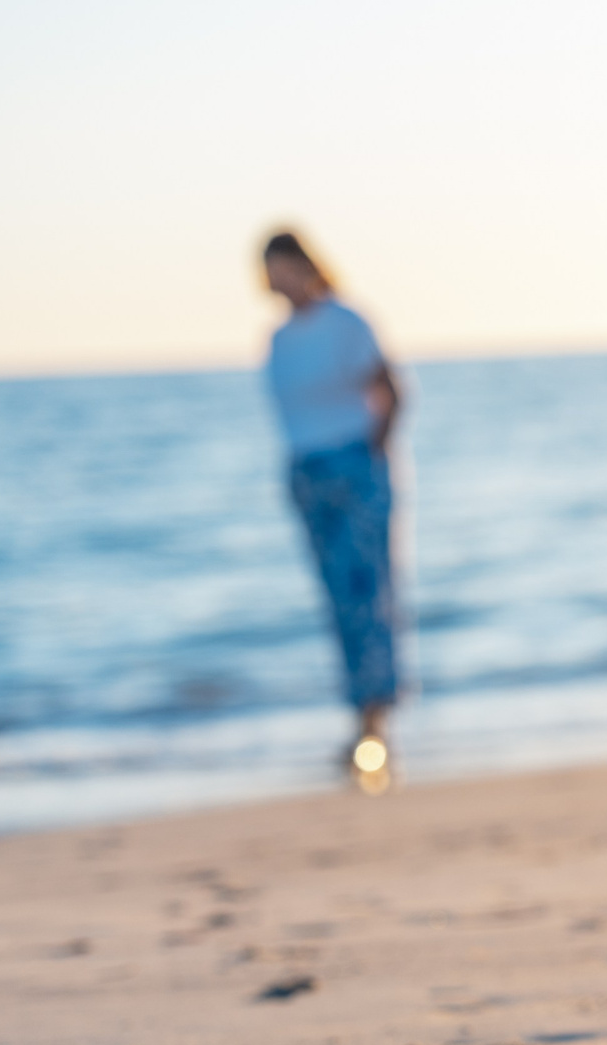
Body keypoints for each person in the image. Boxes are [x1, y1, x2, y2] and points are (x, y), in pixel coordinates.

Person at [260, 230, 403, 792]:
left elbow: (391, 390)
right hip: (306, 471)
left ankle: (375, 729)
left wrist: (372, 458)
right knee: (337, 602)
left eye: (280, 268)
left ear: (302, 264)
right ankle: (360, 725)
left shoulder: (346, 322)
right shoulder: (277, 338)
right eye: (268, 271)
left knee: (368, 593)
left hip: (355, 465)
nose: (274, 281)